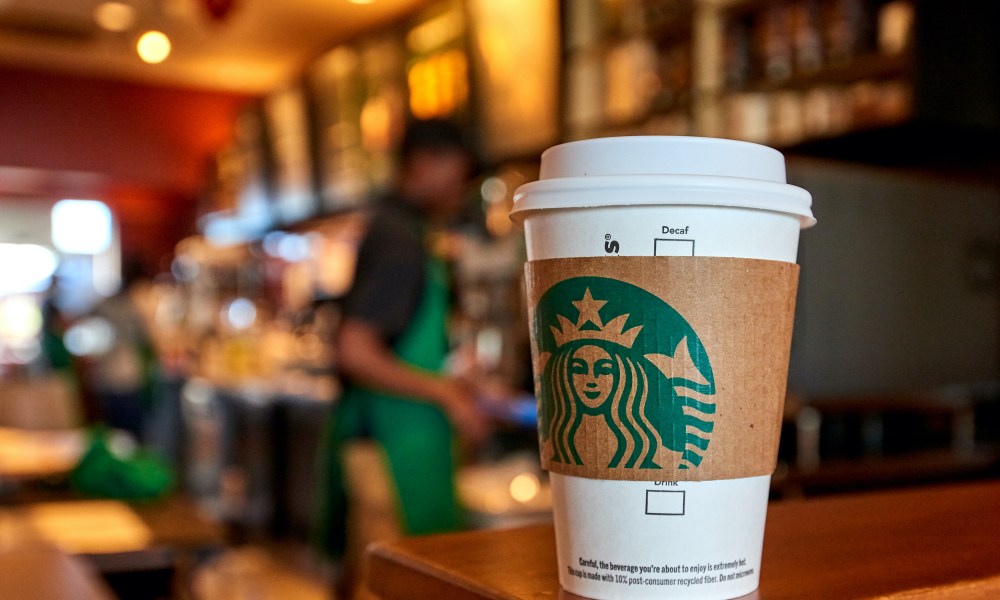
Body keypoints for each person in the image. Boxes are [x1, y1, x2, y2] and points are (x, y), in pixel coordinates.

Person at [315, 119, 491, 597]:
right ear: (422, 162)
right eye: (459, 170)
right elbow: (354, 349)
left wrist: (460, 383)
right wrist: (446, 393)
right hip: (389, 452)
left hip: (401, 441)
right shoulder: (398, 237)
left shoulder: (403, 229)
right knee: (393, 584)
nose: (463, 184)